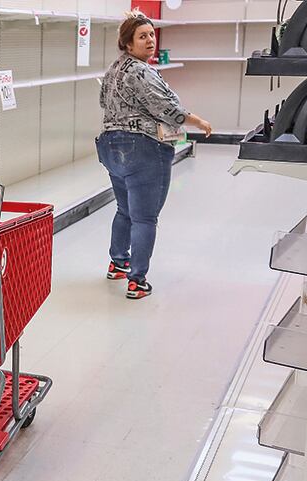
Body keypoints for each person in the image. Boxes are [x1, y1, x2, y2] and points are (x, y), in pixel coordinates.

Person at [97, 11, 213, 300]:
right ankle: (137, 281)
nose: (150, 40)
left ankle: (118, 263)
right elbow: (165, 107)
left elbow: (103, 102)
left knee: (125, 210)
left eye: (151, 34)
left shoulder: (113, 70)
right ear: (127, 43)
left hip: (112, 147)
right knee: (145, 218)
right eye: (142, 36)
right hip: (143, 148)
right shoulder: (141, 71)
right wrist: (196, 120)